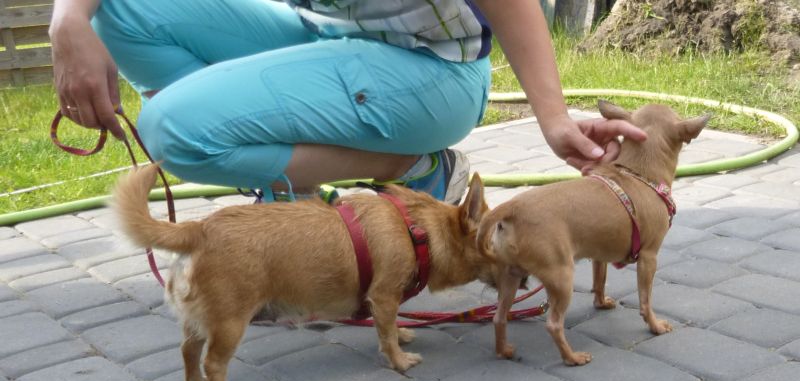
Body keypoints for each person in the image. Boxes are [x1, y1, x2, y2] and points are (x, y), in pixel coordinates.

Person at [49, 0, 647, 204]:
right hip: (326, 35)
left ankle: (416, 167)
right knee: (119, 9)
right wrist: (66, 20)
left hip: (432, 71)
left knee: (174, 131)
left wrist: (553, 118)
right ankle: (294, 203)